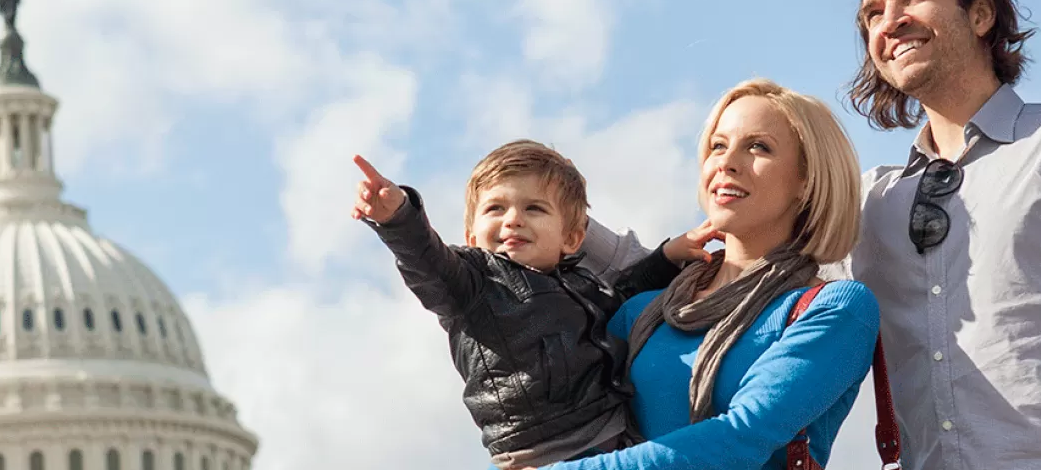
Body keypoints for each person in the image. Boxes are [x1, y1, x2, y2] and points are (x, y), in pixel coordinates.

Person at [536, 79, 880, 470]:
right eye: (718, 145)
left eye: (758, 146)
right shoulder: (641, 311)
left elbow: (741, 438)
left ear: (807, 180)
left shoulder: (835, 308)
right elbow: (568, 423)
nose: (726, 162)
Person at [349, 140, 721, 470]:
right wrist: (398, 218)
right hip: (539, 451)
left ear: (571, 238)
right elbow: (428, 263)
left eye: (534, 209)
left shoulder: (580, 283)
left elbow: (624, 296)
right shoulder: (473, 284)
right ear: (471, 235)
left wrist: (666, 258)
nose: (513, 220)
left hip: (612, 431)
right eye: (495, 208)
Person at [845, 0, 1041, 469]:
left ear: (981, 15)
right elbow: (746, 270)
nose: (891, 21)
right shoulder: (867, 205)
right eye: (873, 13)